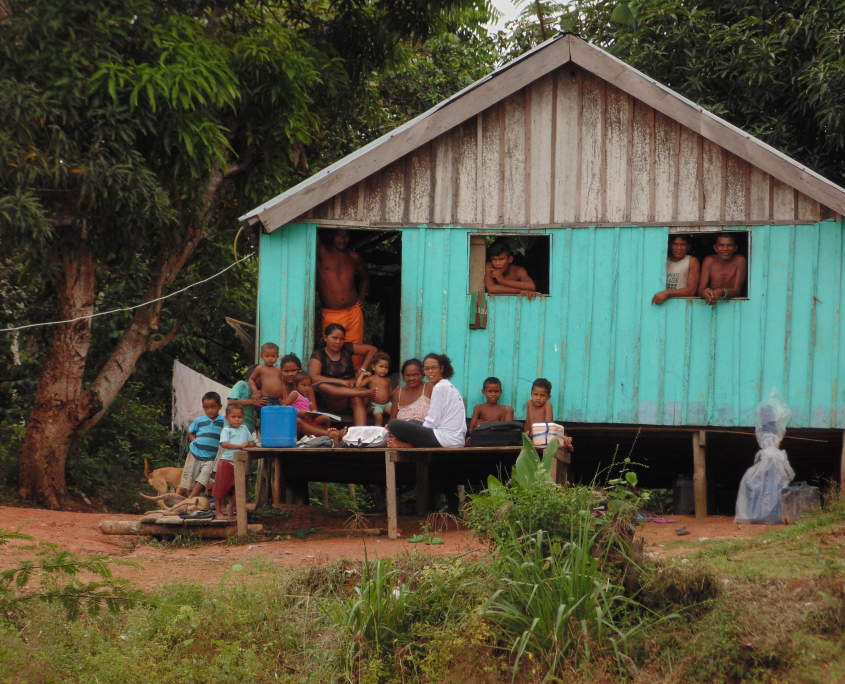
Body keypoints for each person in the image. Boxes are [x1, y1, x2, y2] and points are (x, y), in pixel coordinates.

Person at [387, 353, 466, 448]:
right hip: (454, 438)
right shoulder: (447, 385)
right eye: (427, 368)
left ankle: (409, 445)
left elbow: (432, 422)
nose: (430, 372)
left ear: (441, 369)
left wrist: (414, 434)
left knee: (393, 425)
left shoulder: (439, 388)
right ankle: (408, 443)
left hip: (445, 440)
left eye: (434, 368)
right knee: (413, 422)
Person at [317, 229, 370, 368]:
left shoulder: (353, 256)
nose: (342, 239)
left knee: (356, 350)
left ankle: (356, 378)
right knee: (332, 348)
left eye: (346, 236)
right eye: (339, 235)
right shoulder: (322, 251)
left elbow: (365, 277)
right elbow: (310, 230)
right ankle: (333, 379)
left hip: (354, 311)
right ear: (330, 235)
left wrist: (362, 298)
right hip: (332, 313)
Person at [308, 323, 378, 426]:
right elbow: (313, 377)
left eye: (341, 339)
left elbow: (373, 350)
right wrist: (342, 382)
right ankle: (360, 393)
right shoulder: (319, 354)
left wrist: (362, 370)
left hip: (353, 392)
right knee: (323, 386)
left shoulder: (347, 348)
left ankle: (360, 433)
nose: (338, 342)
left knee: (356, 399)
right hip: (335, 399)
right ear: (325, 338)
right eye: (334, 338)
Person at [213, 405, 255, 519]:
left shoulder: (244, 428)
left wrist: (251, 444)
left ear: (243, 417)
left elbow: (251, 441)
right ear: (227, 418)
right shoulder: (227, 430)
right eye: (233, 417)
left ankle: (231, 506)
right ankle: (218, 512)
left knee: (239, 487)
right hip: (226, 462)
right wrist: (240, 446)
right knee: (220, 488)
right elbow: (224, 444)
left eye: (239, 417)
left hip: (240, 463)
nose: (237, 419)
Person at [183, 392, 225, 498]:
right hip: (195, 453)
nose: (210, 410)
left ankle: (190, 499)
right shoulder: (199, 420)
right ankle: (192, 501)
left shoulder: (224, 421)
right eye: (206, 407)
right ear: (203, 407)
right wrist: (193, 441)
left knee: (205, 476)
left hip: (211, 456)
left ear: (220, 406)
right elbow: (189, 431)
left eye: (213, 407)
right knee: (189, 478)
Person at [697, 234, 747, 306]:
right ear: (715, 248)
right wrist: (705, 293)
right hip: (710, 306)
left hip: (733, 305)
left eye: (729, 245)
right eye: (721, 245)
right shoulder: (709, 260)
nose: (725, 249)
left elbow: (737, 291)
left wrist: (722, 291)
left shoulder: (739, 260)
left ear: (735, 248)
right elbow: (700, 290)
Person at [651, 235, 701, 305]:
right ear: (669, 246)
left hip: (682, 304)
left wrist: (667, 292)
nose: (679, 248)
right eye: (675, 244)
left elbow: (691, 290)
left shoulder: (691, 261)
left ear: (688, 247)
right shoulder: (664, 261)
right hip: (662, 303)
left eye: (683, 244)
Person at [387, 358, 433, 423]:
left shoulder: (429, 387)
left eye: (415, 375)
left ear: (422, 375)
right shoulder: (399, 393)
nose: (411, 378)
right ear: (403, 376)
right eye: (407, 375)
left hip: (424, 428)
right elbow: (392, 420)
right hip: (402, 429)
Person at [356, 351, 393, 427]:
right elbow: (358, 385)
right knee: (379, 418)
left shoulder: (388, 380)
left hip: (387, 404)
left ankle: (390, 428)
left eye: (386, 367)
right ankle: (377, 432)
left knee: (394, 414)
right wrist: (362, 374)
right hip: (376, 405)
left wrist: (398, 387)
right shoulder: (371, 378)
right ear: (373, 367)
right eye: (381, 366)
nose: (383, 369)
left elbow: (391, 394)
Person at [225, 365, 265, 433]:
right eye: (263, 377)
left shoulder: (259, 394)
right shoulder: (242, 385)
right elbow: (231, 402)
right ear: (255, 376)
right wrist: (252, 402)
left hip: (247, 433)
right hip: (232, 431)